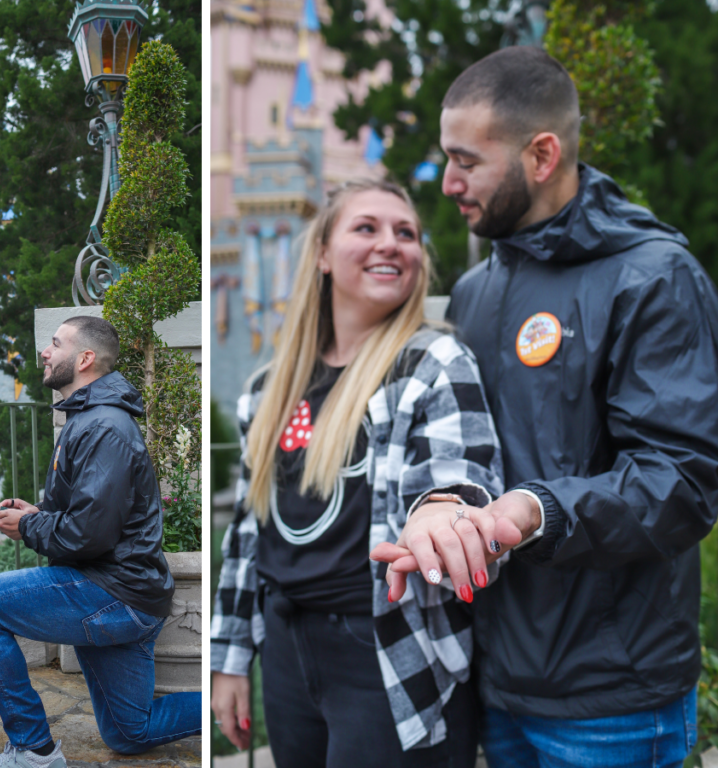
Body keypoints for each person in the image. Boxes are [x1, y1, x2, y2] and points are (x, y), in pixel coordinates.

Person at [372, 46, 718, 768]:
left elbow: (684, 481)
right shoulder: (477, 292)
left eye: (467, 161)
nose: (449, 183)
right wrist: (440, 515)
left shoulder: (654, 278)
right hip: (498, 684)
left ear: (542, 153)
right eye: (446, 158)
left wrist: (536, 510)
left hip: (613, 698)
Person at [210, 178, 505, 768]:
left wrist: (448, 516)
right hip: (287, 650)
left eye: (406, 234)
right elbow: (247, 535)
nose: (391, 244)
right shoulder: (267, 391)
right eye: (366, 228)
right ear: (321, 254)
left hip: (388, 647)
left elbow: (463, 481)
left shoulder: (432, 363)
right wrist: (230, 657)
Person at [0, 316, 201, 768]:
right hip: (126, 591)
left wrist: (29, 528)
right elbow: (86, 514)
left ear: (85, 359)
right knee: (130, 733)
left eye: (55, 343)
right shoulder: (88, 419)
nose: (44, 352)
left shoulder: (103, 426)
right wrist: (38, 515)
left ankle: (34, 750)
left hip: (114, 592)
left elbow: (89, 534)